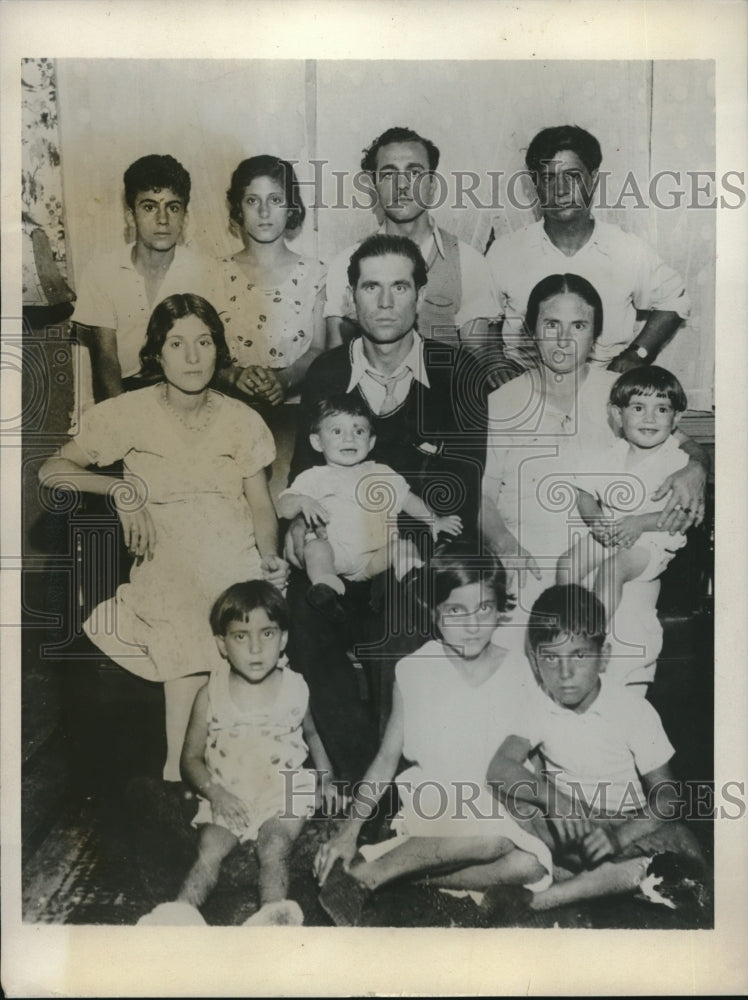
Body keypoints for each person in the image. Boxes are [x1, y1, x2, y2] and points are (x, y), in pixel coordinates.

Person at [39, 294, 288, 783]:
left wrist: (273, 559)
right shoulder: (127, 413)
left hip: (232, 552)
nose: (192, 357)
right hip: (165, 554)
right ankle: (182, 767)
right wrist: (121, 489)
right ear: (156, 353)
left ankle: (224, 764)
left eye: (203, 342)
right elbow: (52, 470)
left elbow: (260, 505)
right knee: (182, 607)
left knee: (232, 606)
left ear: (219, 351)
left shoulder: (242, 420)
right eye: (177, 344)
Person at [285, 234, 487, 781]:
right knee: (304, 614)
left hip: (416, 547)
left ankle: (397, 774)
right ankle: (357, 778)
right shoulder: (328, 372)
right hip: (338, 550)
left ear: (420, 294)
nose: (385, 301)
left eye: (400, 286)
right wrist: (302, 541)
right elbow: (304, 476)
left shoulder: (458, 373)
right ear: (351, 298)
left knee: (400, 615)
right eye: (370, 287)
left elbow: (460, 490)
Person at [480, 273, 707, 687]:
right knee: (521, 687)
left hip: (615, 559)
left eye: (579, 326)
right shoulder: (502, 401)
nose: (564, 340)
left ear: (597, 334)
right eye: (552, 325)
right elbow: (482, 497)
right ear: (532, 331)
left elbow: (687, 446)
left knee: (617, 668)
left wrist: (696, 469)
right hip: (528, 561)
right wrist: (505, 547)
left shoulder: (623, 393)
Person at [313, 545, 553, 927]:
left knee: (532, 865)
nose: (472, 625)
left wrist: (541, 813)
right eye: (456, 611)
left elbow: (535, 757)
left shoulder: (520, 670)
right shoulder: (416, 669)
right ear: (433, 611)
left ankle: (393, 871)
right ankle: (365, 879)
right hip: (436, 804)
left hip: (498, 804)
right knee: (493, 840)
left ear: (500, 609)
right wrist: (349, 830)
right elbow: (386, 759)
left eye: (484, 609)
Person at [487, 585, 705, 913]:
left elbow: (668, 797)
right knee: (505, 797)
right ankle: (605, 881)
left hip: (626, 828)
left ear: (603, 655)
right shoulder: (537, 706)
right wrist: (555, 801)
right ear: (534, 661)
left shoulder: (633, 711)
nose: (564, 674)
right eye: (550, 657)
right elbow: (499, 768)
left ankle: (546, 897)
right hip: (570, 825)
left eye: (579, 655)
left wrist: (619, 838)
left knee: (683, 847)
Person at [137, 581, 340, 927]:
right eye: (241, 636)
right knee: (211, 848)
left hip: (282, 792)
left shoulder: (295, 688)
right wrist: (216, 794)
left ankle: (272, 915)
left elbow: (312, 735)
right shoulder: (210, 693)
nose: (256, 649)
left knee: (274, 845)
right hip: (229, 791)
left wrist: (326, 778)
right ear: (222, 644)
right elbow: (190, 758)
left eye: (267, 634)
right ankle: (180, 915)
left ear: (284, 638)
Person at [486, 125, 690, 371]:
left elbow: (675, 301)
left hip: (602, 391)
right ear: (534, 185)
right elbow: (480, 315)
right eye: (548, 178)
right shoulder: (505, 251)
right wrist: (495, 362)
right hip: (526, 387)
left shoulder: (626, 250)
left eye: (572, 176)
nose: (560, 191)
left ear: (593, 179)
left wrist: (637, 355)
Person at [278, 395, 462, 622]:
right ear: (317, 442)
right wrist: (303, 501)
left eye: (359, 432)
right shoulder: (314, 477)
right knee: (315, 548)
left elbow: (407, 499)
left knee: (403, 545)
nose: (349, 439)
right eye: (337, 431)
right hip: (333, 555)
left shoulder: (382, 472)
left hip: (374, 558)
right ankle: (326, 589)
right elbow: (284, 506)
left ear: (371, 441)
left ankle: (414, 578)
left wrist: (435, 520)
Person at [324, 126, 499, 348]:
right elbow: (335, 359)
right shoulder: (346, 262)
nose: (402, 185)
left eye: (414, 173)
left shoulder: (468, 261)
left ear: (432, 186)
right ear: (374, 186)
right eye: (389, 174)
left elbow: (475, 363)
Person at [71, 154, 220, 405]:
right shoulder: (102, 270)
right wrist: (124, 422)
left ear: (185, 216)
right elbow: (106, 359)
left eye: (173, 207)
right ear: (131, 216)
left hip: (189, 393)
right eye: (150, 207)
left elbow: (213, 353)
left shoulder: (204, 270)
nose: (162, 220)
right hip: (123, 394)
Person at [558, 366, 690, 617]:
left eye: (661, 409)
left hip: (651, 542)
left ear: (675, 419)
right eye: (638, 408)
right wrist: (595, 520)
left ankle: (594, 634)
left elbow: (681, 516)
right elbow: (584, 493)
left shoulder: (677, 462)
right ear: (618, 415)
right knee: (567, 564)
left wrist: (639, 524)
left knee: (612, 570)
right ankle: (568, 622)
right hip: (610, 533)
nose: (649, 418)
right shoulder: (611, 454)